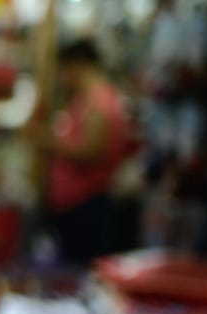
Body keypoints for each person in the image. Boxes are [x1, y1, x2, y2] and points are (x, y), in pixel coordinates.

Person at [34, 39, 133, 264]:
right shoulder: (88, 98)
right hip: (77, 205)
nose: (62, 77)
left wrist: (49, 142)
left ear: (77, 64)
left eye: (63, 70)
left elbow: (92, 151)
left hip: (87, 207)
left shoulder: (99, 100)